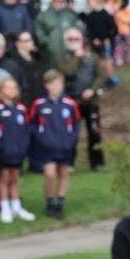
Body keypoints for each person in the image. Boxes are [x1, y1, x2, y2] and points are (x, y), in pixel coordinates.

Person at [29, 70, 80, 219]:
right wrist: (41, 137)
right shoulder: (39, 104)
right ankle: (50, 201)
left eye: (58, 83)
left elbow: (76, 124)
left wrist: (71, 139)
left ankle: (60, 202)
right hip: (47, 147)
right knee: (50, 173)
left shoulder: (70, 104)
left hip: (65, 146)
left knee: (63, 173)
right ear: (46, 85)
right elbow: (32, 124)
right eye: (52, 83)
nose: (56, 86)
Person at [56, 27, 104, 170]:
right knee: (71, 134)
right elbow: (67, 72)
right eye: (70, 39)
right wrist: (77, 57)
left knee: (95, 133)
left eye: (76, 39)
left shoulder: (92, 56)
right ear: (65, 41)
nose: (73, 42)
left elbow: (101, 75)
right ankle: (69, 162)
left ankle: (97, 163)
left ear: (81, 40)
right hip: (71, 101)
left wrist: (92, 90)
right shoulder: (61, 57)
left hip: (91, 101)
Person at [0, 78, 33, 223]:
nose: (11, 90)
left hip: (17, 151)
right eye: (8, 88)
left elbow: (26, 129)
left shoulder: (21, 109)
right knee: (4, 179)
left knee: (15, 179)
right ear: (1, 90)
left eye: (14, 87)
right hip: (2, 151)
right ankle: (5, 207)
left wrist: (23, 145)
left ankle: (16, 206)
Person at [34, 0, 82, 66]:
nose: (59, 3)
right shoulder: (43, 15)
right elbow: (39, 32)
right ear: (51, 1)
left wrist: (75, 43)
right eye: (56, 0)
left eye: (61, 1)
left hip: (69, 52)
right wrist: (48, 43)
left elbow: (78, 29)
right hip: (51, 53)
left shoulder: (69, 15)